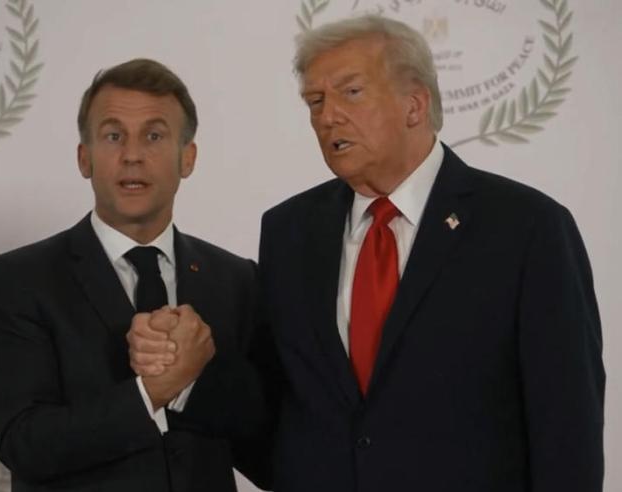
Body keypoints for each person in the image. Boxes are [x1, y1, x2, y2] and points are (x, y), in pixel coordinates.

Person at [254, 14, 604, 492]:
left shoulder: (527, 227)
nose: (327, 116)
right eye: (315, 101)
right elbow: (275, 405)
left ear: (414, 105)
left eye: (350, 92)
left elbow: (567, 424)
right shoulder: (288, 230)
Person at [0, 58, 267, 492]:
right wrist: (154, 389)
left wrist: (192, 382)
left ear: (187, 158)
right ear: (84, 158)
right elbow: (25, 444)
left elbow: (267, 444)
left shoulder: (237, 280)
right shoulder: (19, 279)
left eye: (154, 136)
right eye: (113, 136)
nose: (132, 155)